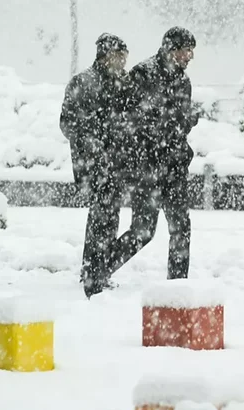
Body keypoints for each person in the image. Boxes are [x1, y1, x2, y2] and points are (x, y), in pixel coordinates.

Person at [107, 27, 200, 280]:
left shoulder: (183, 81)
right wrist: (169, 123)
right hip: (146, 167)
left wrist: (186, 120)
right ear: (171, 49)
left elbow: (177, 124)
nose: (190, 56)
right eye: (186, 50)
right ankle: (98, 271)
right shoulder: (143, 74)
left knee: (181, 228)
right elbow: (129, 121)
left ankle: (177, 287)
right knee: (143, 231)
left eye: (192, 51)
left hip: (175, 166)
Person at [59, 33, 131, 298]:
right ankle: (93, 272)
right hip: (95, 164)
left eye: (125, 57)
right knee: (101, 217)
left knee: (107, 217)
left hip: (112, 162)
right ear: (106, 56)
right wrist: (95, 138)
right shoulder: (83, 83)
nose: (124, 62)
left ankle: (96, 269)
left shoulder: (122, 82)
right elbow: (67, 123)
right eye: (120, 56)